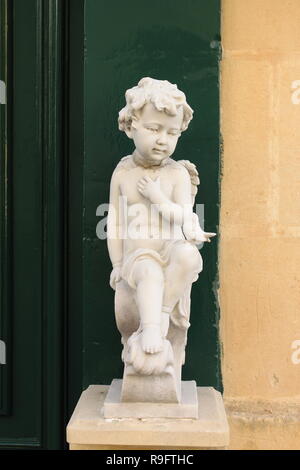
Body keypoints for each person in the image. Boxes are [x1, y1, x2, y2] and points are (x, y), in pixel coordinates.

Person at [107, 77, 215, 355]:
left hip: (170, 247)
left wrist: (158, 198)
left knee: (191, 256)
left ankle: (163, 311)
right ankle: (152, 328)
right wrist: (118, 264)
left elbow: (182, 215)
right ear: (131, 127)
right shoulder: (123, 174)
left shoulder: (177, 173)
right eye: (154, 129)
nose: (162, 140)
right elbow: (116, 224)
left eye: (172, 133)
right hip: (139, 253)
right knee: (149, 272)